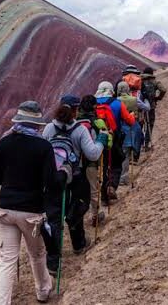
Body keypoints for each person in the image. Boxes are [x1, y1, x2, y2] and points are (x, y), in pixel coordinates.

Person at [0, 100, 56, 304]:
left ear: (18, 120)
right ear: (37, 124)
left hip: (5, 209)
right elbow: (50, 181)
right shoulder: (44, 147)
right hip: (31, 211)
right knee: (36, 253)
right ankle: (43, 290)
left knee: (6, 259)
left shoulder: (4, 142)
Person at [41, 95, 108, 270]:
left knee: (54, 218)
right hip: (75, 175)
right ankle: (79, 244)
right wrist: (101, 140)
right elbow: (93, 154)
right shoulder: (79, 130)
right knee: (76, 208)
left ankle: (53, 261)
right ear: (75, 110)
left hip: (53, 177)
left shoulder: (49, 128)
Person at [95, 81, 135, 201]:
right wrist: (132, 115)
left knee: (102, 167)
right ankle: (111, 186)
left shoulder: (93, 103)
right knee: (115, 164)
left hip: (95, 139)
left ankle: (103, 197)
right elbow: (130, 121)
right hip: (114, 138)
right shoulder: (117, 104)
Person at [77, 95, 107, 225]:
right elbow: (108, 142)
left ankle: (77, 216)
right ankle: (95, 215)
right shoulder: (97, 122)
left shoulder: (74, 121)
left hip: (76, 163)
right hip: (91, 161)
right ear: (94, 106)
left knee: (78, 190)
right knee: (94, 188)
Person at [116, 82, 150, 185]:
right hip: (132, 128)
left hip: (119, 128)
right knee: (127, 153)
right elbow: (146, 108)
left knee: (120, 153)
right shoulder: (134, 100)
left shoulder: (115, 101)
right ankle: (124, 177)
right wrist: (147, 101)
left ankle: (119, 177)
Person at [140, 67, 167, 150]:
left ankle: (139, 143)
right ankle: (147, 144)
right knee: (150, 124)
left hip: (140, 106)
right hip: (151, 106)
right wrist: (158, 98)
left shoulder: (139, 81)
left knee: (140, 124)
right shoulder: (154, 82)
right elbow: (163, 90)